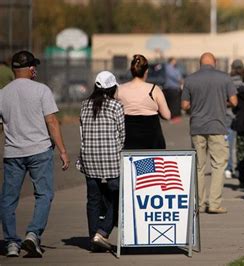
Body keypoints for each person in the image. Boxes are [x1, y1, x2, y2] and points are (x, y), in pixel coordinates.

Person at [0, 50, 69, 257]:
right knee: (44, 194)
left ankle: (11, 242)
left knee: (8, 199)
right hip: (39, 150)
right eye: (34, 67)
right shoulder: (42, 90)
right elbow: (52, 121)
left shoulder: (2, 93)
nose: (36, 70)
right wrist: (63, 151)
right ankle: (33, 233)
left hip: (13, 153)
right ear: (31, 69)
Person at [181, 52, 237, 214]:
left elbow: (184, 105)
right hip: (218, 126)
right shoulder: (224, 78)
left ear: (200, 63)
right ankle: (214, 203)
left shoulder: (190, 79)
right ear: (215, 62)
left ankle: (199, 203)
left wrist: (197, 105)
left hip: (197, 127)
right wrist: (220, 101)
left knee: (199, 166)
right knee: (218, 165)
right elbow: (234, 101)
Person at [77, 71, 125, 251]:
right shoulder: (116, 106)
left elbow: (82, 133)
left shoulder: (84, 105)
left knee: (93, 199)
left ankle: (93, 238)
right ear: (112, 87)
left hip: (89, 157)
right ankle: (103, 232)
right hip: (111, 159)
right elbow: (122, 135)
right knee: (118, 197)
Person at [116, 54, 171, 149]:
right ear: (146, 71)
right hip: (152, 140)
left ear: (131, 70)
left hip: (128, 138)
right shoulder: (154, 89)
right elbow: (167, 115)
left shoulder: (120, 89)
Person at [224, 59, 244, 179]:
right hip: (241, 117)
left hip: (228, 116)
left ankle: (228, 168)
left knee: (228, 145)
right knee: (240, 146)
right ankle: (239, 168)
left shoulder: (227, 82)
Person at [163, 57, 183, 122]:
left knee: (176, 103)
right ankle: (171, 117)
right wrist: (180, 80)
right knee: (172, 104)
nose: (175, 62)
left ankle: (175, 116)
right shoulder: (168, 67)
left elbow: (179, 75)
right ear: (171, 61)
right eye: (174, 60)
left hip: (176, 88)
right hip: (171, 88)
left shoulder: (175, 68)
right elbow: (173, 76)